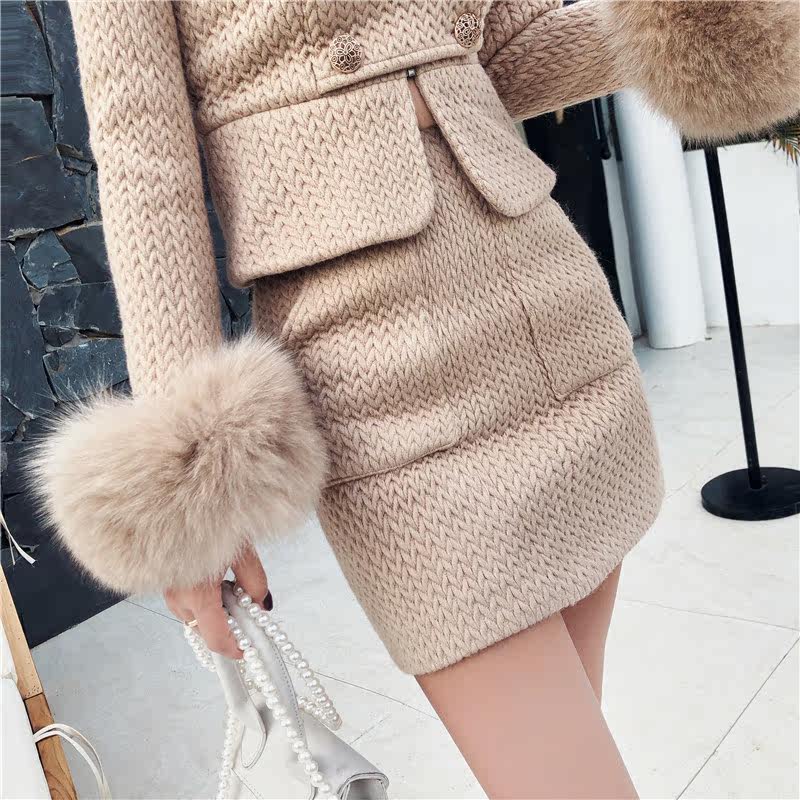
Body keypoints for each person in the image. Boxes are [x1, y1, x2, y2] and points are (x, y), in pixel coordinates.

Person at [33, 1, 798, 796]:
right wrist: (188, 488)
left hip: (554, 309)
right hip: (372, 363)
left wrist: (690, 25)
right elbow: (145, 159)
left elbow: (505, 50)